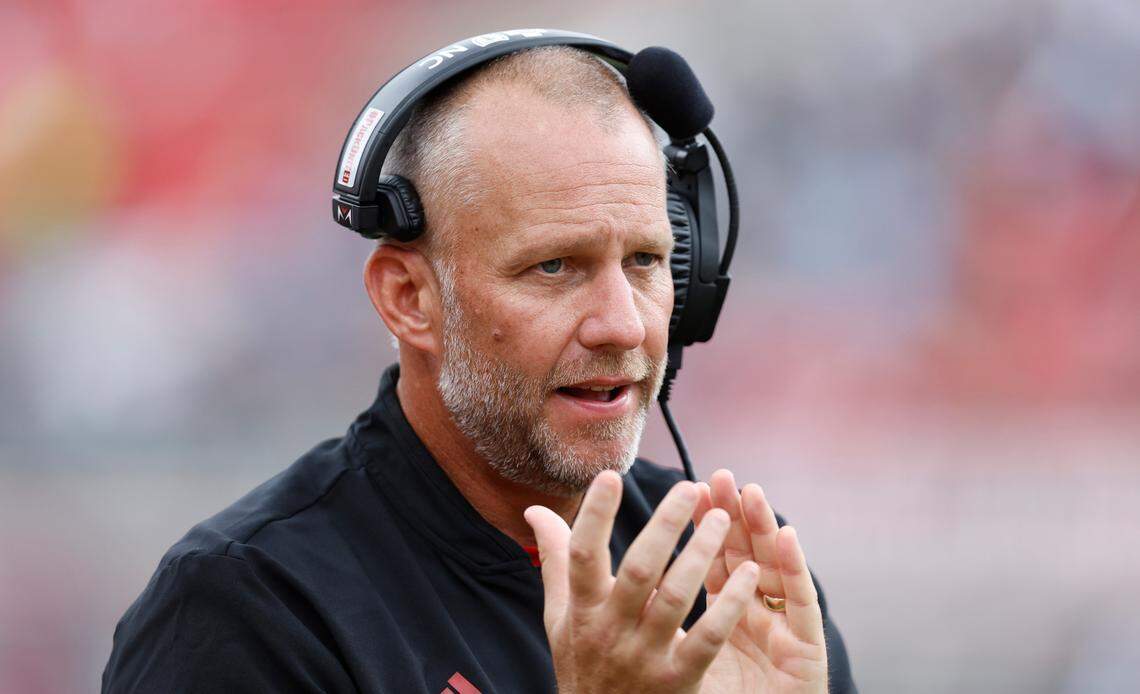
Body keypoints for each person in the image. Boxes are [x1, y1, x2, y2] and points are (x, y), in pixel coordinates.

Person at [103, 44, 856, 693]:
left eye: (647, 261)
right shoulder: (247, 608)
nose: (623, 323)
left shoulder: (726, 575)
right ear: (410, 299)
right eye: (554, 266)